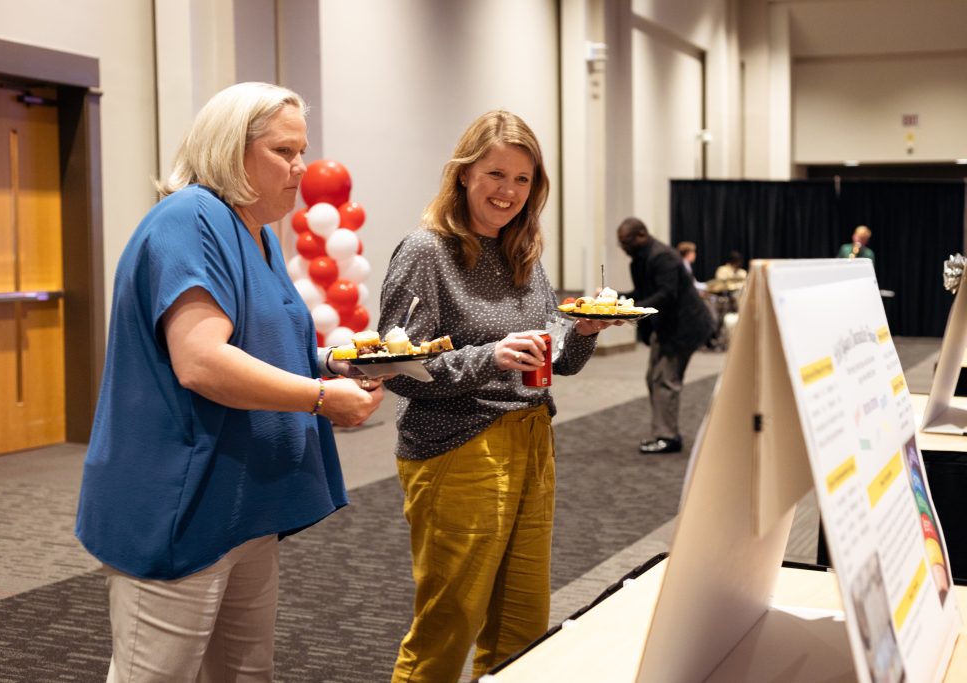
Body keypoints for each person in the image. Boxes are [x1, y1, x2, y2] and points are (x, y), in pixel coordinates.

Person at [75, 82, 385, 682]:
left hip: (244, 497)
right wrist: (321, 398)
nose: (300, 168)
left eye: (302, 151)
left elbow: (262, 341)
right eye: (283, 152)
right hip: (180, 499)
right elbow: (203, 362)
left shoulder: (259, 233)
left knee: (245, 673)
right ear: (228, 150)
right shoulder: (189, 221)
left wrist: (329, 363)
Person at [379, 110, 620, 683]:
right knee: (449, 625)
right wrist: (489, 357)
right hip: (457, 449)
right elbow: (394, 370)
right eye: (495, 174)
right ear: (463, 175)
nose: (508, 191)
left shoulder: (522, 252)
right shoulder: (425, 252)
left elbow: (552, 354)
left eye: (522, 179)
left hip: (532, 439)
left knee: (522, 623)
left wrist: (581, 332)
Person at [618, 217, 715, 454]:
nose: (624, 248)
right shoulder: (640, 261)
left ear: (642, 235)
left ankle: (667, 437)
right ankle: (665, 432)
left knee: (665, 379)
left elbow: (667, 294)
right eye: (621, 243)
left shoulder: (663, 257)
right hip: (667, 326)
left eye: (627, 242)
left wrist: (635, 309)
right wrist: (616, 299)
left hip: (686, 326)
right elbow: (642, 293)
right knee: (654, 377)